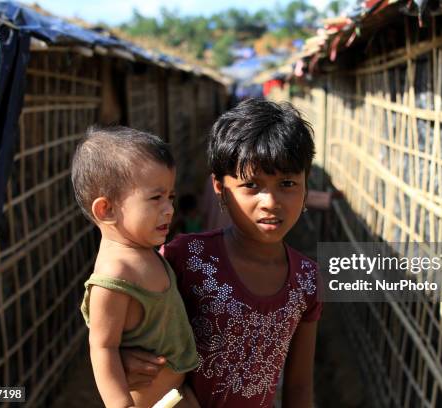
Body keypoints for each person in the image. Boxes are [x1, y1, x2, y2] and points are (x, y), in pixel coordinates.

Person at [122, 99, 322, 407]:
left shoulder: (307, 279)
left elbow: (298, 387)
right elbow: (121, 321)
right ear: (219, 187)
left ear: (306, 186)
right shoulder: (187, 258)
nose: (270, 201)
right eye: (252, 185)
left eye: (287, 183)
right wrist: (123, 356)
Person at [71, 126, 200, 408]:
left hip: (178, 394)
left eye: (171, 197)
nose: (169, 209)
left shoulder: (145, 252)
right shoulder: (114, 276)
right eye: (156, 198)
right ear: (107, 210)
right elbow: (103, 347)